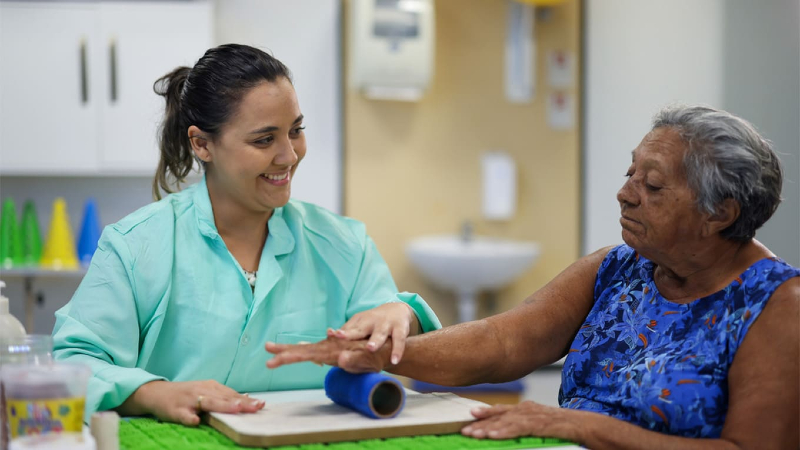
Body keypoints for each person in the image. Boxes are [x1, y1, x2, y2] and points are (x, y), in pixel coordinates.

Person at [267, 105, 799, 449]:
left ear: (720, 213)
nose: (626, 192)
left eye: (653, 185)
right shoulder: (618, 269)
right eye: (629, 173)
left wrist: (576, 424)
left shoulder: (778, 305)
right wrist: (380, 355)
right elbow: (503, 342)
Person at [51, 44, 441, 426]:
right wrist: (152, 393)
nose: (289, 155)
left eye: (296, 130)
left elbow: (388, 345)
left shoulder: (344, 244)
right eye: (264, 139)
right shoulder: (135, 245)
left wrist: (402, 314)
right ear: (202, 144)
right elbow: (72, 363)